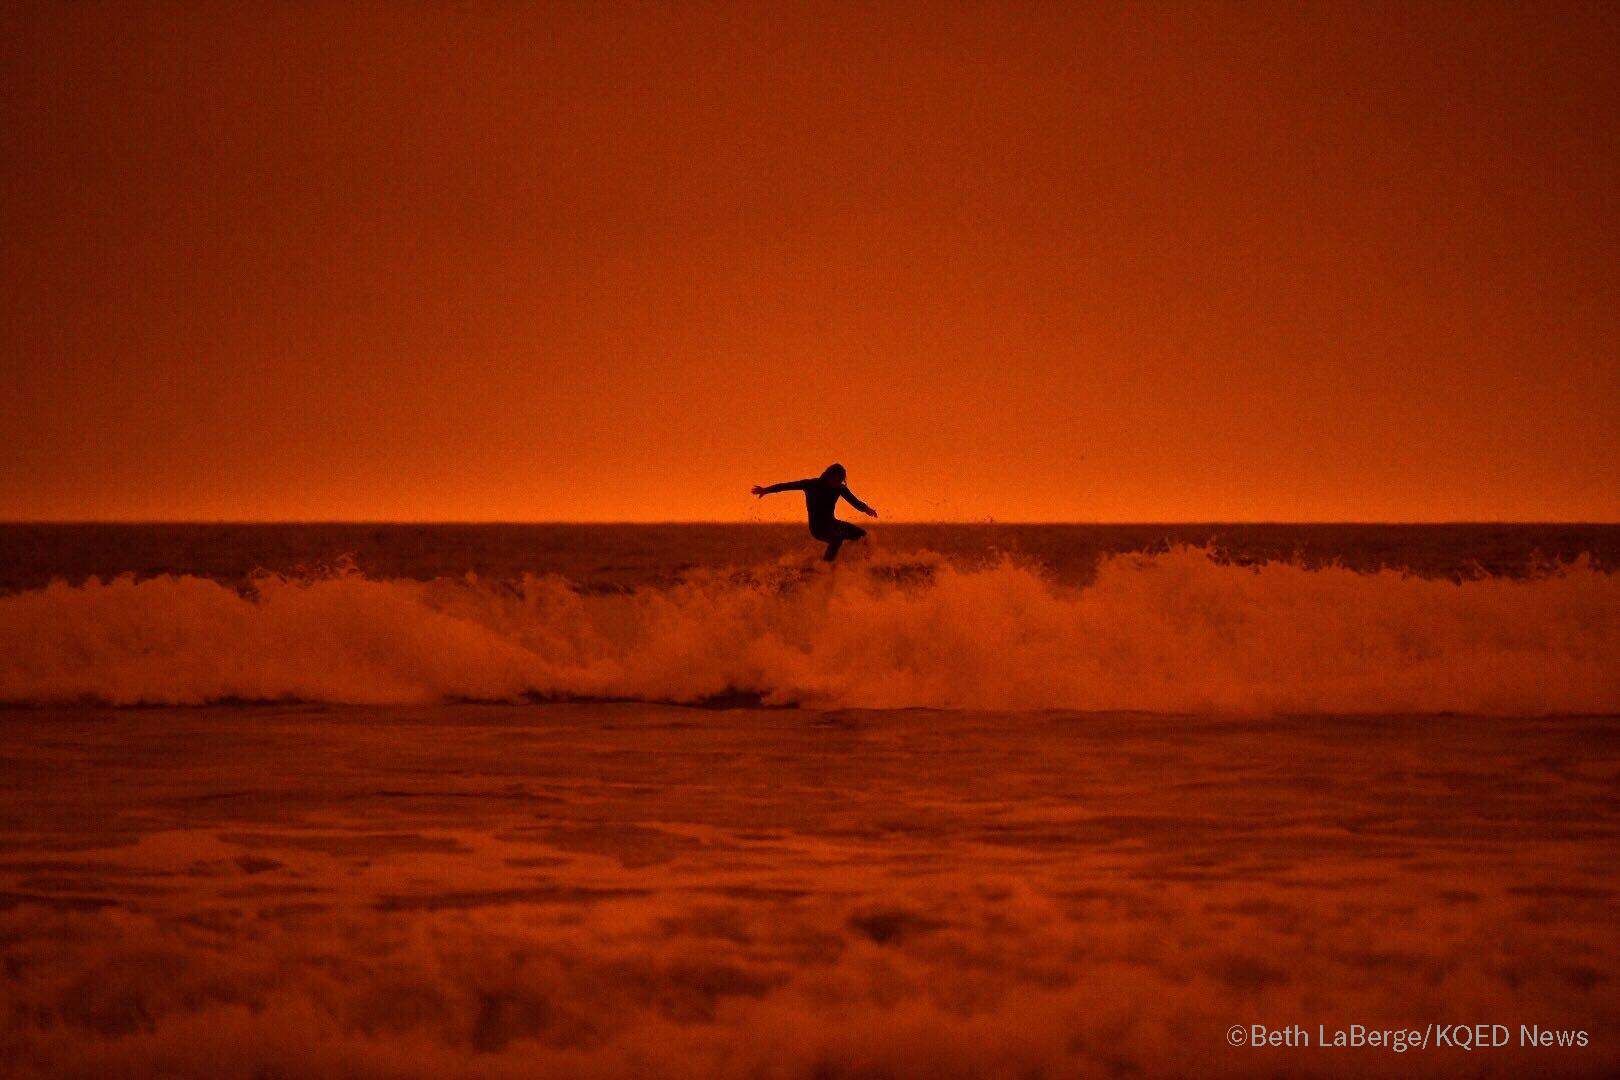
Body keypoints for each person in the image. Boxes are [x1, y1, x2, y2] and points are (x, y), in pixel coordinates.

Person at [752, 463, 878, 561]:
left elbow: (854, 501)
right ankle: (826, 567)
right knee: (837, 539)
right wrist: (766, 490)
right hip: (817, 528)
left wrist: (866, 509)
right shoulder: (811, 485)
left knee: (863, 536)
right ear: (829, 476)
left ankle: (865, 563)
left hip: (832, 523)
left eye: (840, 481)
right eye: (836, 480)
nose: (837, 484)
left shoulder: (839, 488)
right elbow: (786, 486)